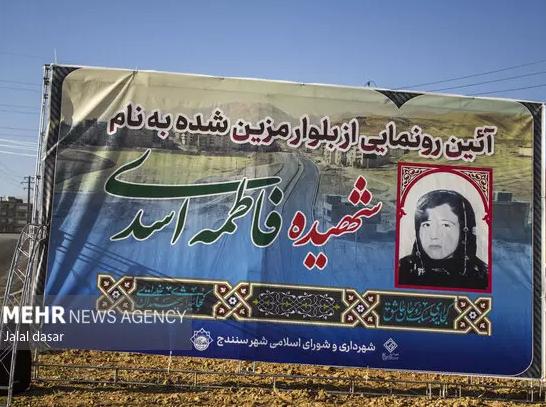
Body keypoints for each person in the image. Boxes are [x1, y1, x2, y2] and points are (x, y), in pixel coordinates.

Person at [398, 189, 488, 289]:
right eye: (427, 225)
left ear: (464, 230)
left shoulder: (483, 276)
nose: (434, 235)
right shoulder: (401, 269)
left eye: (445, 225)